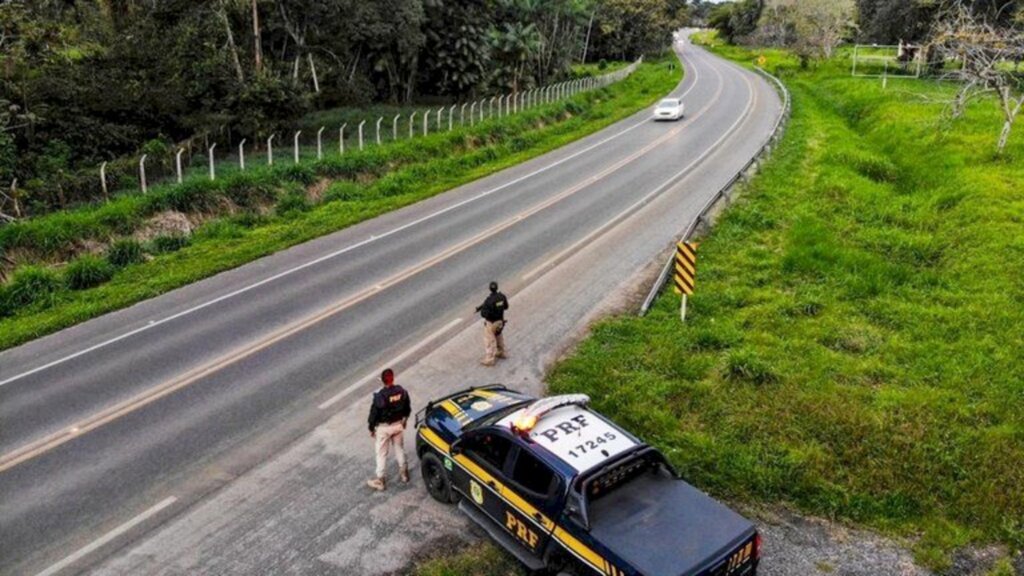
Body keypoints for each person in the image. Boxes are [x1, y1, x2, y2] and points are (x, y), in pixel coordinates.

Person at [366, 368, 411, 491]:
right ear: (393, 378)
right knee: (399, 448)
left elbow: (373, 414)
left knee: (381, 453)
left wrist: (371, 428)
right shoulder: (402, 391)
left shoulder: (379, 396)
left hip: (384, 428)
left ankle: (380, 480)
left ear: (383, 381)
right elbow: (407, 409)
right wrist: (404, 421)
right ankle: (404, 474)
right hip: (398, 425)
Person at [475, 281, 509, 366]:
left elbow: (483, 314)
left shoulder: (488, 301)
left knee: (489, 339)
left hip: (491, 323)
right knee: (499, 336)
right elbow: (506, 307)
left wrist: (483, 309)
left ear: (490, 289)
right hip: (500, 322)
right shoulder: (502, 297)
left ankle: (490, 359)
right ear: (497, 288)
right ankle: (501, 352)